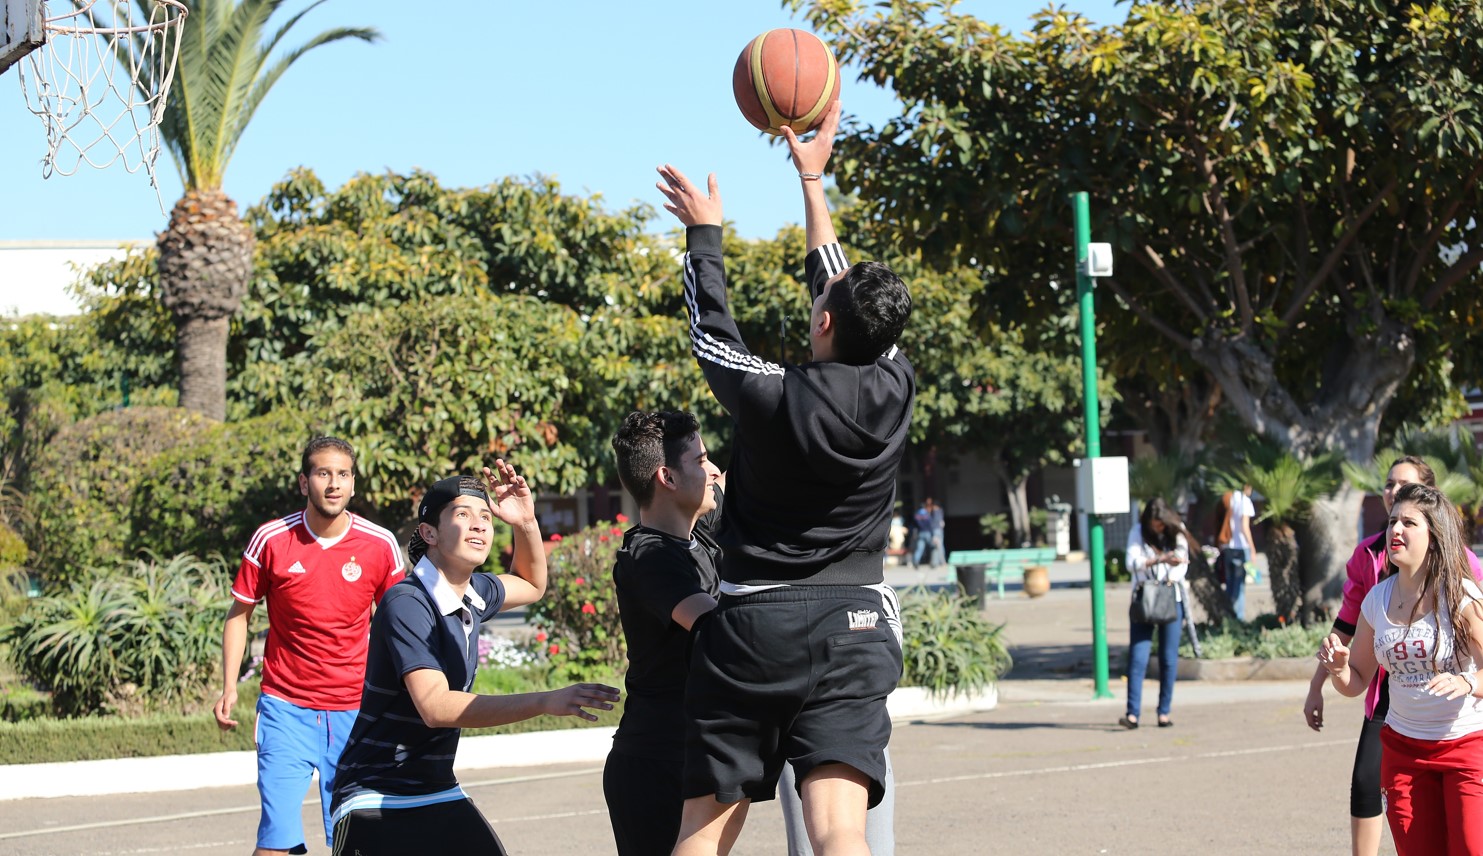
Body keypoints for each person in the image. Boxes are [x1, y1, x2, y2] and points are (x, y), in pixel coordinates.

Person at [656, 97, 913, 856]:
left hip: (752, 629)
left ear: (824, 322)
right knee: (839, 830)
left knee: (702, 837)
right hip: (855, 625)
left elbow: (711, 331)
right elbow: (839, 287)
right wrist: (811, 180)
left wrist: (703, 234)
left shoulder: (769, 394)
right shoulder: (897, 382)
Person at [329, 463, 620, 853]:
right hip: (375, 796)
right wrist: (545, 701)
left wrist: (526, 521)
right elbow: (435, 706)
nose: (480, 525)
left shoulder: (473, 593)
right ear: (429, 533)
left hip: (437, 788)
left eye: (485, 516)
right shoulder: (407, 602)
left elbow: (532, 584)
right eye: (463, 514)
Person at [214, 436, 406, 856]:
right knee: (276, 843)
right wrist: (230, 685)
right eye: (323, 474)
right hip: (285, 710)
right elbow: (239, 614)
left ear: (353, 485)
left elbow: (400, 626)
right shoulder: (271, 540)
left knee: (353, 844)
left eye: (343, 475)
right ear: (305, 483)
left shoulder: (380, 545)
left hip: (357, 714)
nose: (333, 484)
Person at [1304, 456, 1483, 856]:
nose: (1395, 530)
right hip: (1403, 750)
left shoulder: (1460, 595)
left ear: (1433, 536)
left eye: (1409, 523)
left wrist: (1468, 681)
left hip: (1466, 747)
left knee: (1470, 849)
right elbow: (1356, 683)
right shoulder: (1376, 600)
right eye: (1392, 523)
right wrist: (1335, 670)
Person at [604, 410, 723, 855]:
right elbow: (714, 627)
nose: (712, 470)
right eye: (702, 460)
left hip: (697, 753)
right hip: (656, 764)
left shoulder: (700, 533)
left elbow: (749, 474)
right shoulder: (649, 557)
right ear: (667, 477)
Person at [1121, 497, 1188, 729]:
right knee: (1138, 657)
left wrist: (1173, 570)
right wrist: (1158, 559)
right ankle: (1132, 713)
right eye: (1153, 524)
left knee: (1168, 659)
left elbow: (1183, 563)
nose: (1156, 528)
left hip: (1170, 598)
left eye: (1160, 524)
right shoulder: (1138, 532)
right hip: (1144, 600)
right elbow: (1131, 562)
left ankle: (1164, 712)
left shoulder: (1177, 532)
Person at [1217, 483, 1256, 619]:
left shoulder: (1229, 499)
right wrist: (1252, 548)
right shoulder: (1245, 501)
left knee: (1229, 584)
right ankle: (1238, 619)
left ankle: (1227, 617)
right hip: (1240, 548)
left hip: (1227, 547)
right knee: (1239, 587)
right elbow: (1245, 527)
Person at [912, 497, 945, 568]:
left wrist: (914, 534)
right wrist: (933, 535)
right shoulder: (927, 514)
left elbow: (914, 525)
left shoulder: (917, 515)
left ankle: (915, 561)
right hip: (928, 533)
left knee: (919, 548)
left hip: (920, 533)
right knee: (934, 547)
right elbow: (930, 525)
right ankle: (934, 563)